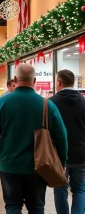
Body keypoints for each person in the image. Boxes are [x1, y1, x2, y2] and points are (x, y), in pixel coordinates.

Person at [0, 64, 68, 214]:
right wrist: (62, 162)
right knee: (36, 207)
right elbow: (62, 136)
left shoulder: (1, 103)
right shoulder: (47, 105)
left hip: (9, 165)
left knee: (12, 206)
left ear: (15, 79)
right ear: (34, 81)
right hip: (38, 166)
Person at [50, 69, 85, 214]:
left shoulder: (51, 103)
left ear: (59, 82)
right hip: (81, 154)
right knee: (80, 189)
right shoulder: (83, 102)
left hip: (58, 155)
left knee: (60, 189)